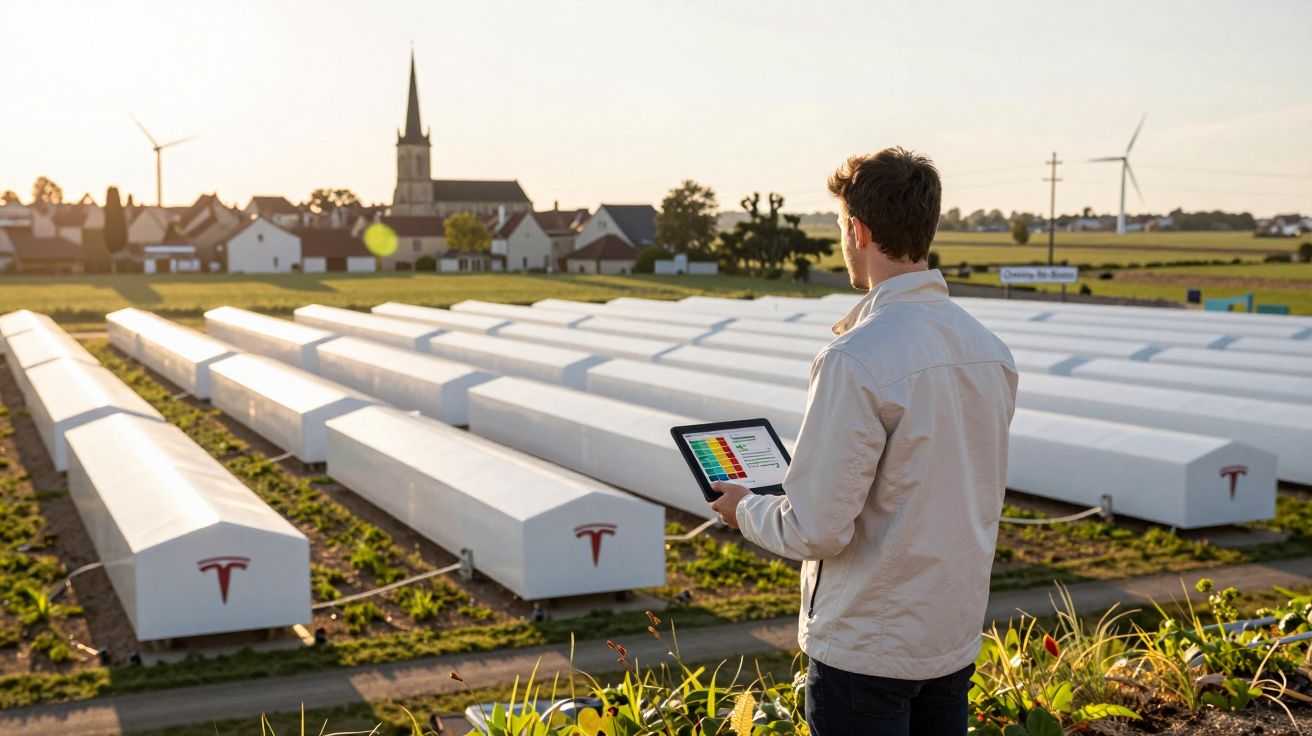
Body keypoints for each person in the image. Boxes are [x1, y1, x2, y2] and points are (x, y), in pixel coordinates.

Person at [709, 147, 1018, 735]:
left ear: (858, 231)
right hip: (951, 637)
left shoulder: (854, 357)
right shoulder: (990, 350)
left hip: (868, 652)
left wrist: (744, 509)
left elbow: (817, 529)